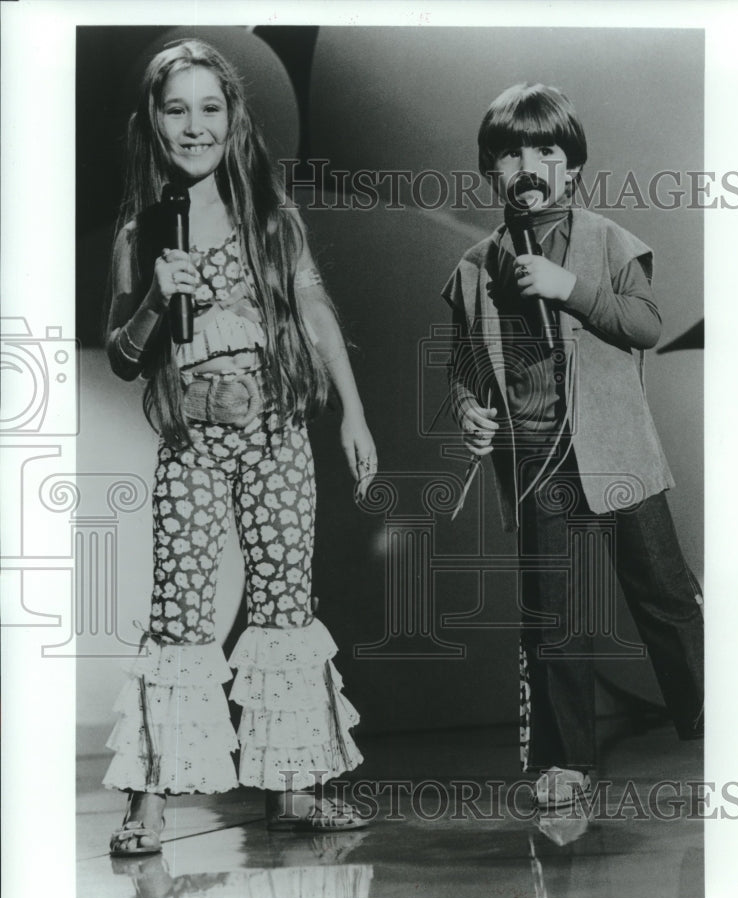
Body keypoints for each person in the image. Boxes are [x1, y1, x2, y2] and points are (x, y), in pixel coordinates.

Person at [103, 39, 377, 853]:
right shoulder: (141, 230)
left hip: (276, 429)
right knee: (178, 611)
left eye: (209, 108)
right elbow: (121, 354)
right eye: (176, 109)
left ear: (234, 117)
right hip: (192, 433)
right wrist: (158, 294)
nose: (194, 127)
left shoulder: (268, 216)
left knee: (286, 605)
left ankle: (293, 790)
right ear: (153, 122)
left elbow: (314, 307)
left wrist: (352, 414)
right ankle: (148, 805)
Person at [443, 83, 703, 809]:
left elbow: (645, 325)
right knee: (551, 612)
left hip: (615, 446)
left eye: (546, 150)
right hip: (535, 456)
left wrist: (567, 285)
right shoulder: (473, 265)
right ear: (489, 169)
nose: (528, 165)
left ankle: (717, 719)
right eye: (509, 154)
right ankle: (566, 759)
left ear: (574, 166)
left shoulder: (609, 241)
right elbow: (464, 363)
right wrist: (468, 410)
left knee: (664, 595)